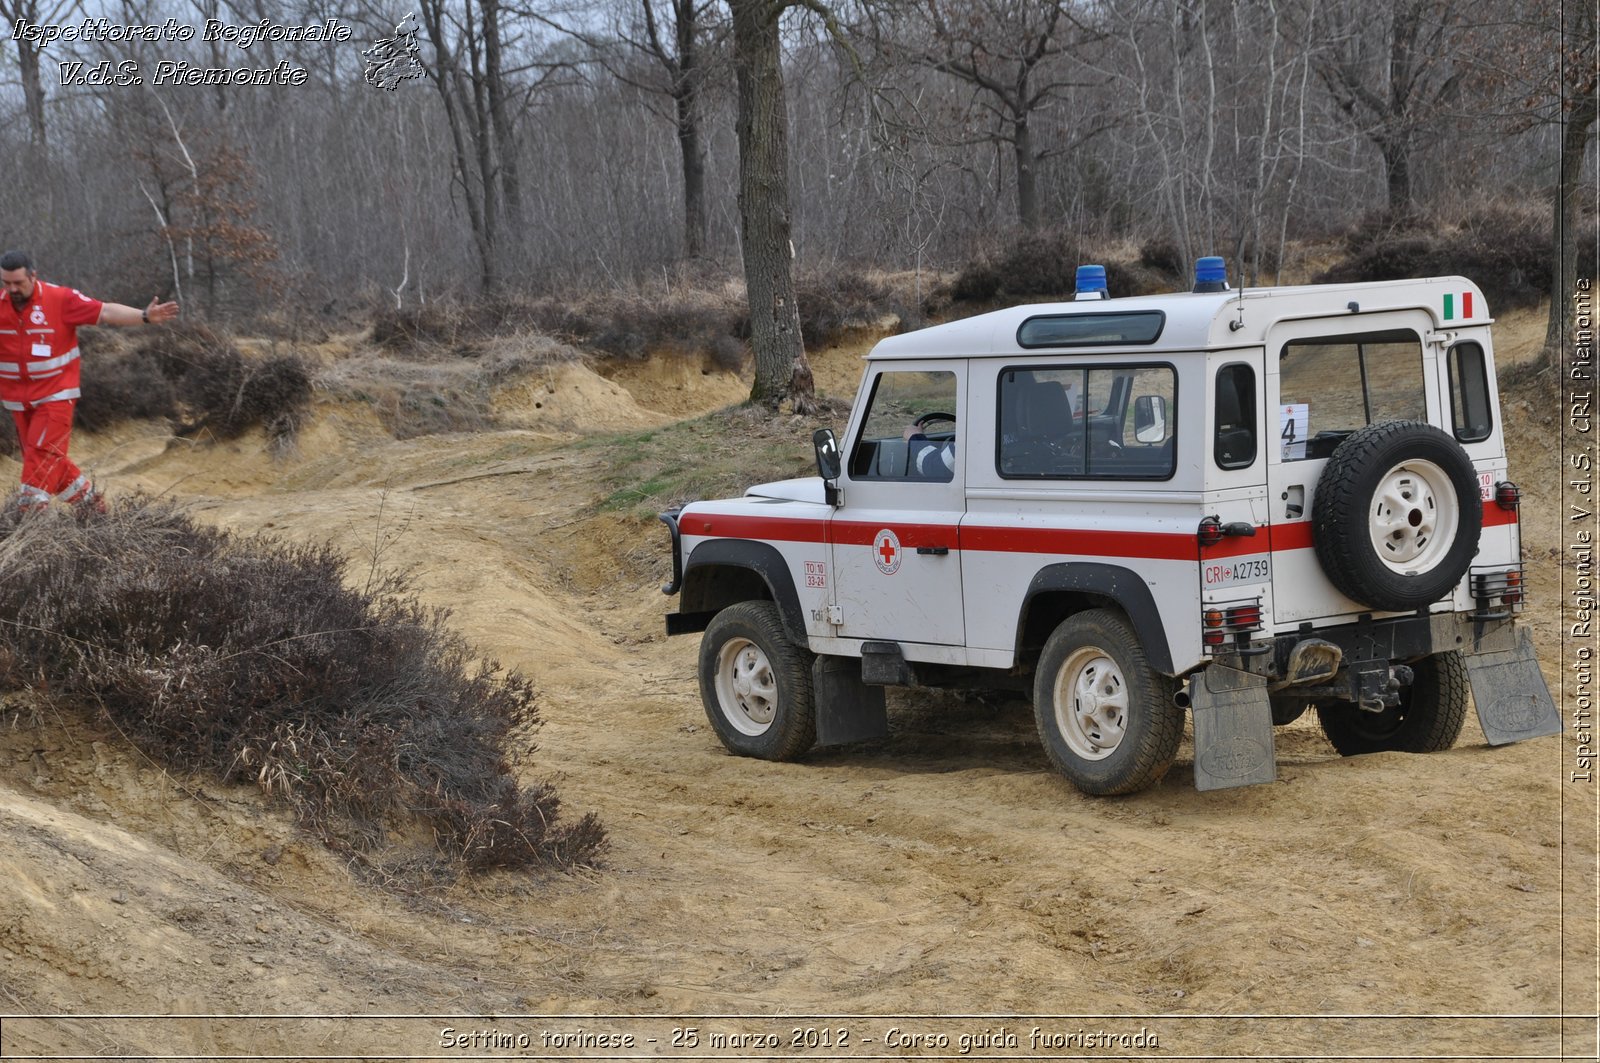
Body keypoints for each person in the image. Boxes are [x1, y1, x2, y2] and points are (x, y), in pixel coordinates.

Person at [0, 251, 179, 513]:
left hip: (56, 395)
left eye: (19, 283)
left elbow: (105, 311)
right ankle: (91, 505)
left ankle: (28, 513)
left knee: (40, 454)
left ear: (33, 276)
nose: (12, 289)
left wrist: (144, 316)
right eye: (7, 283)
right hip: (18, 400)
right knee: (47, 458)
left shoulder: (60, 299)